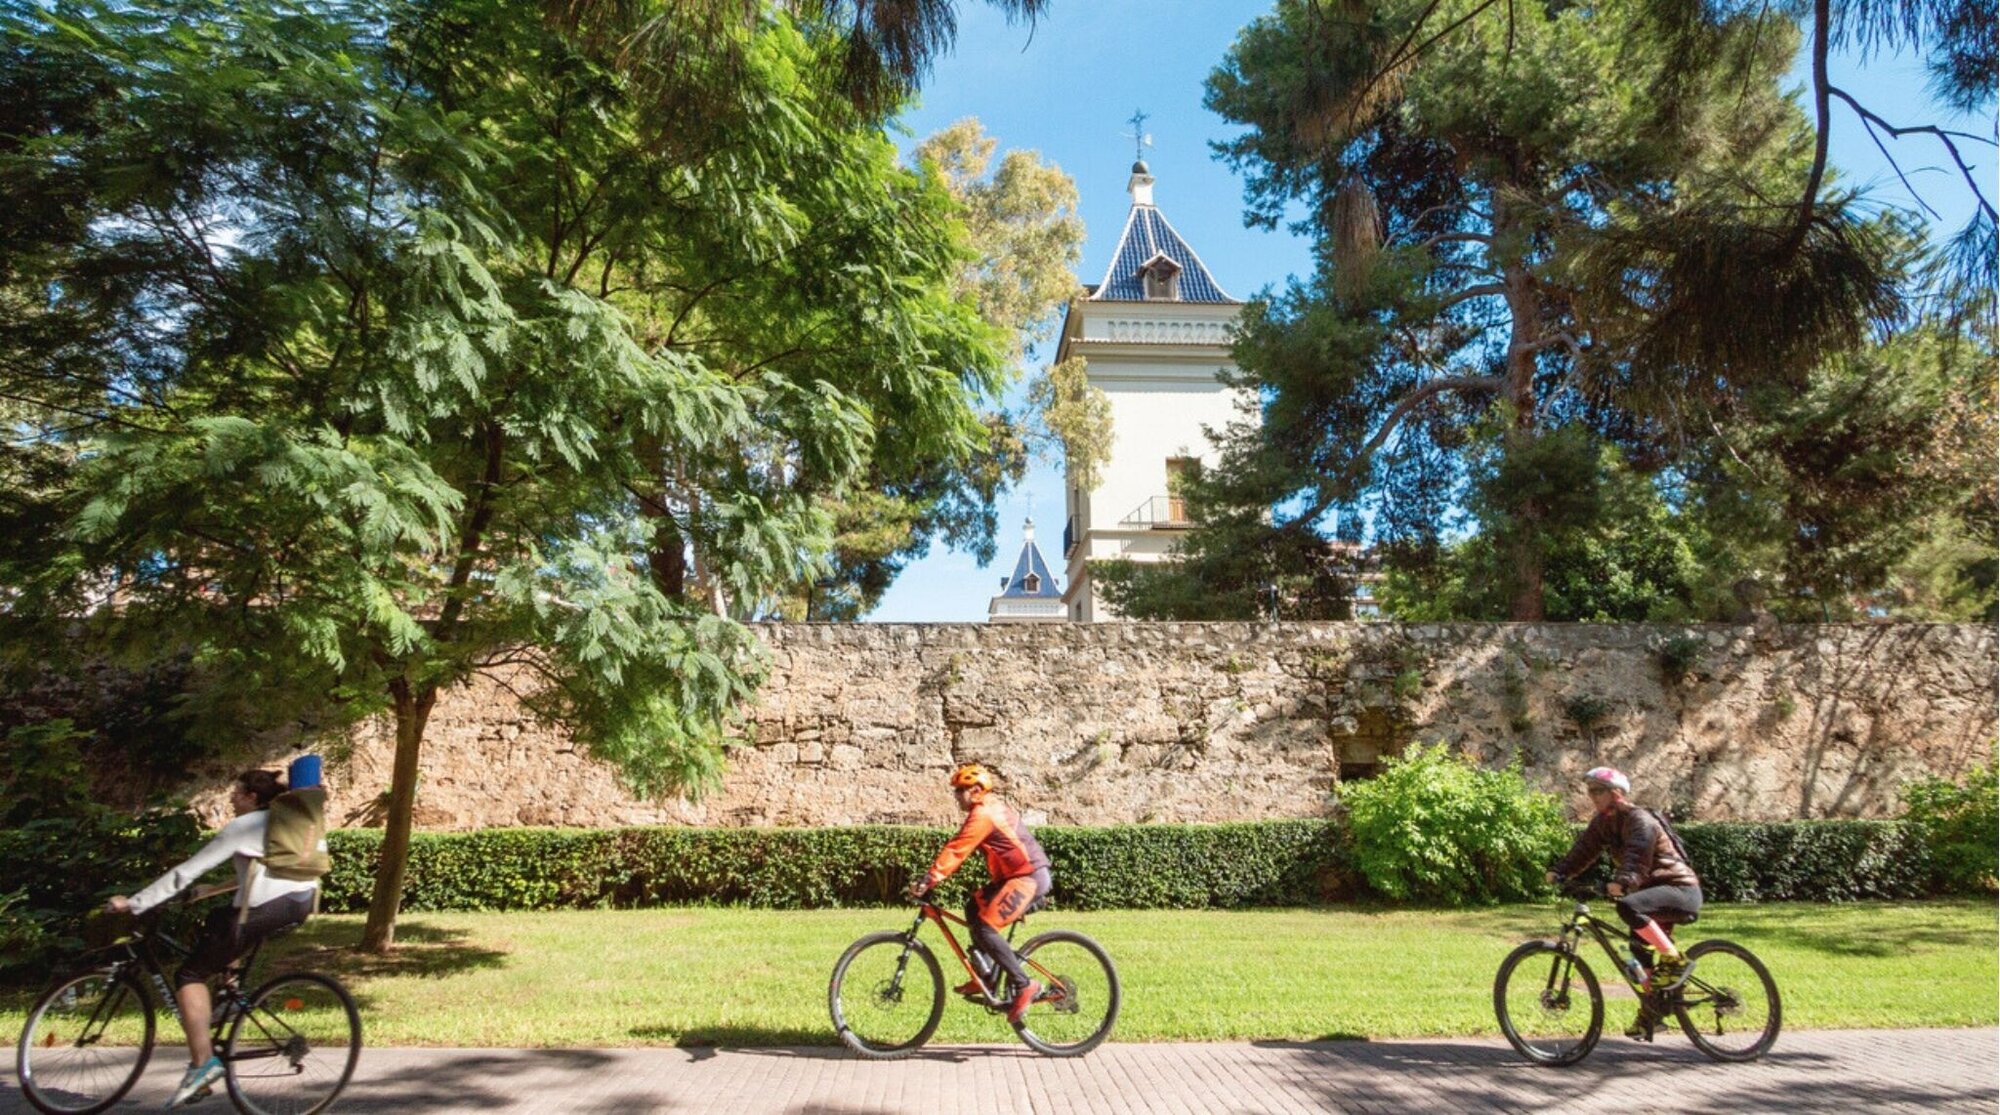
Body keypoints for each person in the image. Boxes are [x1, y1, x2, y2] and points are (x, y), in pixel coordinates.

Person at [107, 769, 322, 1108]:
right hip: (297, 901)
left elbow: (186, 871)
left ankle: (202, 1065)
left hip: (267, 906)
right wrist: (212, 890)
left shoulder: (243, 826)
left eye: (236, 793)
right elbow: (269, 869)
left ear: (252, 797)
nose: (231, 799)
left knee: (189, 975)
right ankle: (229, 991)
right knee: (220, 918)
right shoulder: (279, 822)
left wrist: (134, 903)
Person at [1545, 765, 1702, 1041]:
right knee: (1637, 956)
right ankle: (1652, 1011)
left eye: (1598, 791)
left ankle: (1675, 961)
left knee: (1628, 906)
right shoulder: (1603, 822)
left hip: (1679, 890)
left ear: (1616, 793)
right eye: (1590, 791)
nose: (1592, 796)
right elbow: (1584, 850)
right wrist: (1561, 871)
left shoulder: (1639, 819)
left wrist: (1624, 881)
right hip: (1650, 898)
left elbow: (1637, 854)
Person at [907, 763, 1053, 1025]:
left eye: (960, 790)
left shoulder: (983, 814)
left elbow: (956, 849)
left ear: (976, 790)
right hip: (1015, 878)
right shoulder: (989, 809)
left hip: (1028, 879)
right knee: (973, 907)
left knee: (985, 928)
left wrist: (929, 879)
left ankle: (1024, 984)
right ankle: (985, 975)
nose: (957, 796)